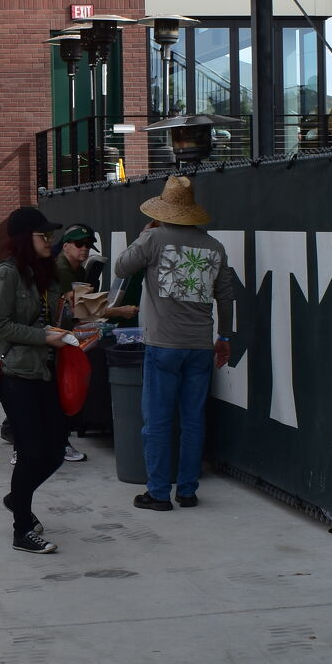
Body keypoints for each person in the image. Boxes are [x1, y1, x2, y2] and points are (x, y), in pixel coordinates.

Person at [114, 176, 237, 511]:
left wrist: (142, 237)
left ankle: (157, 492)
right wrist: (223, 337)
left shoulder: (153, 238)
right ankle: (187, 490)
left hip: (162, 344)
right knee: (193, 420)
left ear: (164, 210)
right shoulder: (215, 247)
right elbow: (226, 297)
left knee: (156, 420)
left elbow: (122, 267)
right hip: (200, 345)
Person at [0, 206, 73, 553]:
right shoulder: (7, 274)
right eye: (44, 236)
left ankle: (17, 497)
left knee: (55, 450)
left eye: (51, 236)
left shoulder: (46, 274)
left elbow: (48, 320)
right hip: (17, 373)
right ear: (27, 238)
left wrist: (69, 325)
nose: (50, 241)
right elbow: (0, 326)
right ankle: (21, 529)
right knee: (30, 451)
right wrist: (44, 337)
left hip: (46, 371)